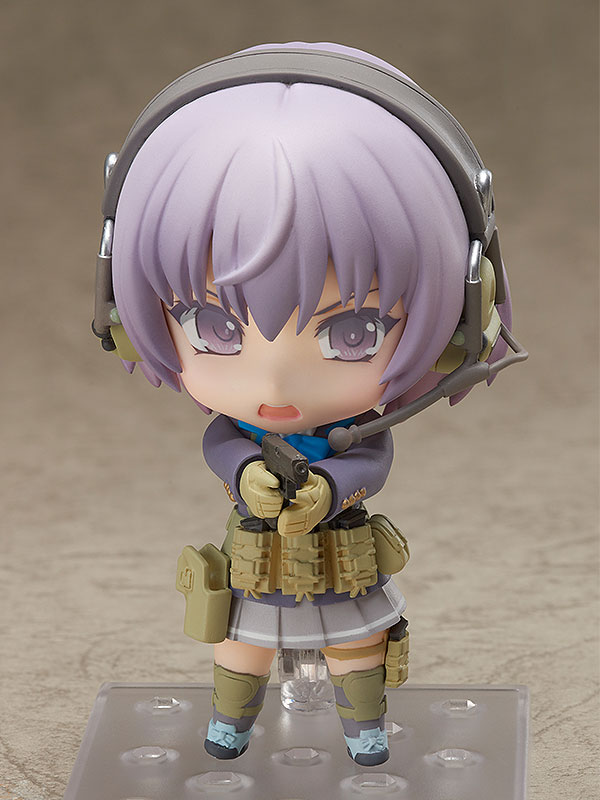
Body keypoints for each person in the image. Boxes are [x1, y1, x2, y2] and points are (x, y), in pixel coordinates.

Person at [95, 42, 519, 766]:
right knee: (240, 643)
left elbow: (372, 459)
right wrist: (244, 476)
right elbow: (223, 443)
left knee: (358, 643)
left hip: (341, 555)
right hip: (256, 559)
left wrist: (329, 488)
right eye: (214, 326)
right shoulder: (240, 432)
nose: (275, 386)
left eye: (353, 333)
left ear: (461, 325)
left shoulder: (357, 433)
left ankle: (365, 730)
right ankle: (230, 724)